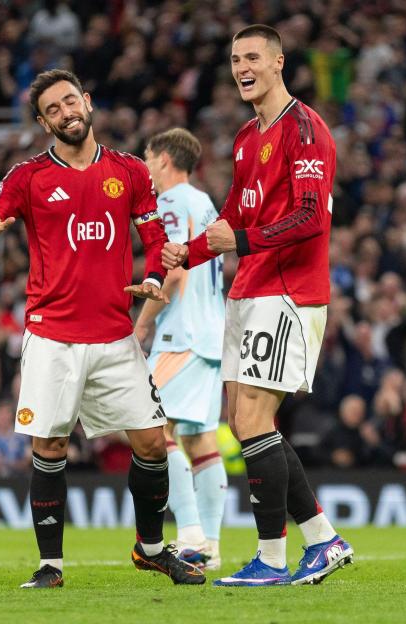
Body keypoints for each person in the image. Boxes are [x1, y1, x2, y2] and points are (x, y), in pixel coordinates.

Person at [0, 69, 204, 588]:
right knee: (49, 448)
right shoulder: (28, 177)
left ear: (88, 102)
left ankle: (152, 548)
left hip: (115, 336)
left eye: (71, 100)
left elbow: (156, 236)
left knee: (152, 443)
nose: (66, 112)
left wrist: (155, 278)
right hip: (52, 336)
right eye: (53, 109)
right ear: (42, 122)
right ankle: (51, 566)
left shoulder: (131, 171)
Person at [163, 25, 353, 587]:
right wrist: (184, 256)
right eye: (234, 59)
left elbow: (312, 216)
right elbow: (232, 218)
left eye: (252, 57)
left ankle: (272, 559)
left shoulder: (306, 129)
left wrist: (238, 244)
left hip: (290, 293)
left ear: (278, 63)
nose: (241, 67)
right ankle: (322, 540)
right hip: (249, 289)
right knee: (248, 423)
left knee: (251, 421)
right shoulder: (247, 136)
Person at [135, 128, 227, 570]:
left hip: (182, 335)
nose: (146, 167)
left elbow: (172, 270)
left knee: (155, 430)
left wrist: (141, 327)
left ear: (165, 161)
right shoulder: (205, 204)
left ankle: (190, 535)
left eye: (148, 159)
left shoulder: (170, 204)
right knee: (199, 439)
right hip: (211, 333)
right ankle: (209, 543)